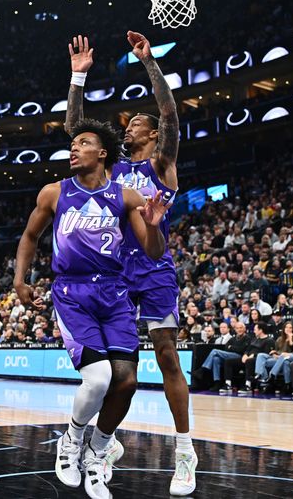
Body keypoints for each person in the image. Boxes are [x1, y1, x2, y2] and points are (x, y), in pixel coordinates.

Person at [64, 32, 196, 495]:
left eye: (137, 121)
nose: (129, 126)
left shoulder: (162, 163)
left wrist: (149, 62)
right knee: (122, 370)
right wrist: (78, 74)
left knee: (166, 358)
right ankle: (105, 441)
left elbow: (171, 113)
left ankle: (184, 453)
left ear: (153, 133)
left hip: (154, 269)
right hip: (115, 273)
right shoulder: (113, 169)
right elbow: (78, 128)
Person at [14, 117, 169, 499]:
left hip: (115, 293)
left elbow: (154, 252)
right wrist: (20, 281)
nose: (74, 148)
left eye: (83, 143)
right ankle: (71, 439)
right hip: (71, 292)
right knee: (99, 378)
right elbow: (30, 236)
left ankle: (98, 451)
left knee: (127, 381)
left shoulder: (126, 197)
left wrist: (153, 226)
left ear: (102, 153)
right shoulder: (54, 192)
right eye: (73, 143)